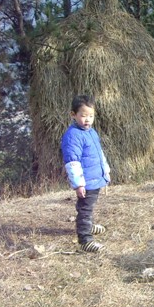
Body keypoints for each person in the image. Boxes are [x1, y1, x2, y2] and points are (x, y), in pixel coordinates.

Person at [61, 95, 111, 253]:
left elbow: (99, 153)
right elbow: (72, 162)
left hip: (95, 177)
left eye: (91, 116)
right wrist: (79, 184)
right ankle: (85, 239)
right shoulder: (73, 136)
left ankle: (88, 225)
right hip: (86, 180)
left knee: (90, 205)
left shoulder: (91, 132)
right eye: (83, 116)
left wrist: (106, 171)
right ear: (73, 115)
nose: (87, 119)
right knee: (85, 208)